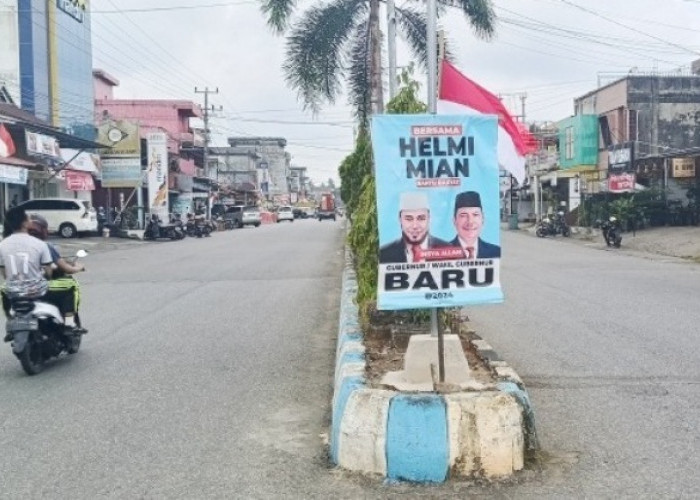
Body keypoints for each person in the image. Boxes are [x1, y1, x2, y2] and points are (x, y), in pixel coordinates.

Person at [28, 214, 87, 334]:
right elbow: (65, 269)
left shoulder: (12, 244)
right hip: (40, 288)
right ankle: (69, 325)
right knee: (71, 287)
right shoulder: (46, 246)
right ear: (43, 231)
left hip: (18, 290)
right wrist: (79, 267)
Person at [0, 207, 53, 339]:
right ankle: (65, 323)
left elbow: (4, 272)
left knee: (4, 292)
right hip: (36, 290)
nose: (30, 220)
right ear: (24, 223)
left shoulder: (2, 245)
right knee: (62, 290)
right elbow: (48, 270)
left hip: (12, 291)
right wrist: (48, 277)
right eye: (28, 218)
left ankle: (10, 320)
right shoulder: (40, 244)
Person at [379, 192, 449, 263]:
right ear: (400, 220)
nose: (415, 226)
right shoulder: (384, 254)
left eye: (421, 218)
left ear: (429, 219)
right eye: (409, 219)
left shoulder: (448, 250)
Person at [449, 191, 501, 258]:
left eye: (475, 215)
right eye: (463, 215)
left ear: (483, 219)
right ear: (454, 220)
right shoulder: (442, 253)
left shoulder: (496, 252)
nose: (470, 222)